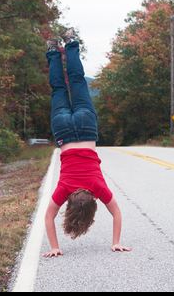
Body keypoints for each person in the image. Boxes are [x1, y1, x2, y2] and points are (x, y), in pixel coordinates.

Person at [43, 29, 132, 258]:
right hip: (63, 130)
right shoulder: (63, 190)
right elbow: (49, 217)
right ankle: (53, 49)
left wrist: (116, 242)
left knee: (77, 82)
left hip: (85, 127)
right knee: (59, 89)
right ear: (70, 206)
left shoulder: (97, 188)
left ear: (93, 202)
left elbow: (117, 213)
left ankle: (71, 42)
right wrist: (54, 247)